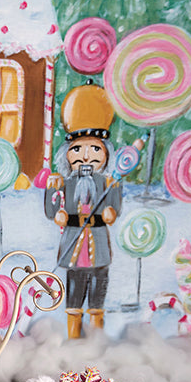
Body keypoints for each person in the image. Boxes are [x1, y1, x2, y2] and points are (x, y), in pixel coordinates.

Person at [44, 81, 121, 338]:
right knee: (75, 290)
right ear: (67, 153)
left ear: (105, 153)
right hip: (73, 244)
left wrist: (110, 212)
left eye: (94, 148)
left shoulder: (107, 183)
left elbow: (114, 209)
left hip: (98, 245)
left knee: (99, 289)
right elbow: (51, 209)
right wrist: (56, 209)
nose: (86, 155)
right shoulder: (63, 182)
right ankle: (74, 335)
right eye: (77, 148)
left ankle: (97, 334)